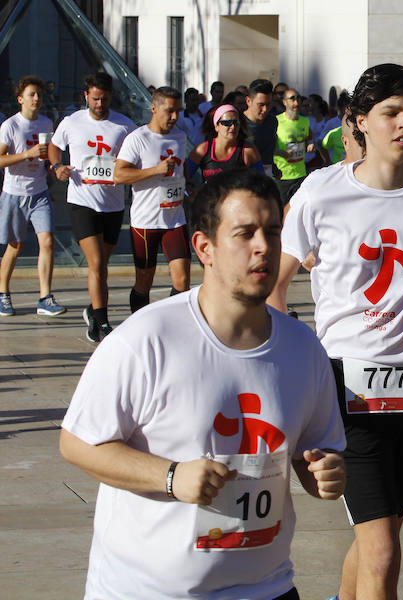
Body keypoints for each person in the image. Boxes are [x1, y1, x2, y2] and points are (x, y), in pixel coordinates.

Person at [59, 168, 347, 599]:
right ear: (204, 247)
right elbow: (78, 442)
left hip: (267, 588)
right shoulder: (147, 338)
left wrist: (323, 472)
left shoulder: (304, 348)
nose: (263, 247)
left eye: (272, 232)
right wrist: (170, 476)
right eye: (244, 233)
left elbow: (316, 450)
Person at [268, 63, 403, 600]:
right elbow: (276, 284)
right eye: (391, 113)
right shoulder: (321, 191)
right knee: (384, 548)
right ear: (360, 121)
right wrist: (290, 350)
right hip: (343, 383)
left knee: (379, 531)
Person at [49, 72, 136, 342]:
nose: (100, 104)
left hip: (112, 204)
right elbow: (54, 146)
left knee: (102, 266)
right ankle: (102, 322)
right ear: (86, 96)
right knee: (96, 263)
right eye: (95, 99)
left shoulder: (124, 125)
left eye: (105, 99)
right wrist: (57, 166)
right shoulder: (71, 122)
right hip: (82, 201)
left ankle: (93, 309)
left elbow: (137, 153)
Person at [113, 86, 190, 313]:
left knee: (182, 279)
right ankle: (139, 323)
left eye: (178, 111)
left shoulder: (180, 136)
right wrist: (155, 170)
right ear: (154, 108)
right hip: (146, 222)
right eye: (169, 111)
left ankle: (174, 325)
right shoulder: (138, 139)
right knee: (144, 280)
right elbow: (119, 175)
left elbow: (182, 169)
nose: (174, 117)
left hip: (175, 219)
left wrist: (188, 187)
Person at [0, 75, 66, 317]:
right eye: (31, 94)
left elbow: (47, 158)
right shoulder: (10, 126)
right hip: (14, 194)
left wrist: (54, 168)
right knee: (14, 246)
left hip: (39, 193)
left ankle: (45, 297)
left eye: (39, 94)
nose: (36, 98)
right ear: (20, 99)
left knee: (47, 241)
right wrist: (26, 154)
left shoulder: (46, 124)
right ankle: (3, 293)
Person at [188, 104, 263, 183]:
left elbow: (262, 183)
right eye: (227, 123)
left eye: (236, 122)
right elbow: (182, 177)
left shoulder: (248, 151)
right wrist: (190, 189)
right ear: (216, 126)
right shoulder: (202, 150)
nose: (233, 127)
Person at [273, 87, 313, 204]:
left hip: (301, 174)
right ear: (284, 102)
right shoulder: (276, 121)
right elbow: (268, 147)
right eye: (292, 99)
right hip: (283, 176)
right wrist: (281, 153)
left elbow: (309, 137)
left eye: (298, 98)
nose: (296, 102)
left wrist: (310, 144)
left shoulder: (305, 121)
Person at [244, 79, 277, 177]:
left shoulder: (272, 121)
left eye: (268, 104)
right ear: (248, 101)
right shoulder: (237, 124)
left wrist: (274, 168)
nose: (265, 109)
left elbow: (268, 152)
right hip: (244, 178)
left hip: (266, 178)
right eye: (261, 105)